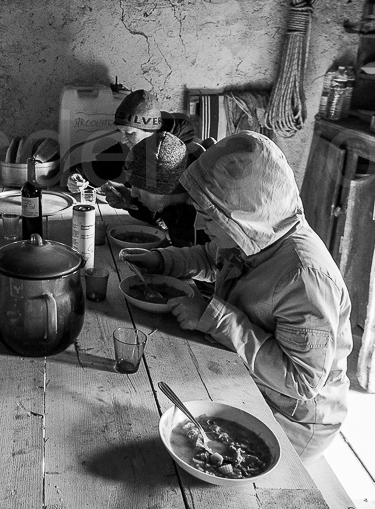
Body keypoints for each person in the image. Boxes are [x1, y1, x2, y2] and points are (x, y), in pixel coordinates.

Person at [122, 132, 352, 462]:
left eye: (210, 214)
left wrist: (214, 318)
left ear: (242, 214)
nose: (199, 221)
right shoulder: (258, 231)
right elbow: (209, 256)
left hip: (292, 417)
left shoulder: (305, 276)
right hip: (250, 377)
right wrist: (161, 261)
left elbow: (302, 382)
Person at [68, 89, 199, 205]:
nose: (123, 139)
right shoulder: (131, 148)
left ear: (151, 130)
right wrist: (76, 177)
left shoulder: (180, 156)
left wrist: (131, 199)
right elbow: (92, 169)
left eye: (129, 133)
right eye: (121, 132)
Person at [119, 130, 205, 248]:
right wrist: (129, 201)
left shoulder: (207, 217)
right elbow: (158, 215)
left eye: (139, 186)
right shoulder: (175, 205)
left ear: (166, 188)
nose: (134, 193)